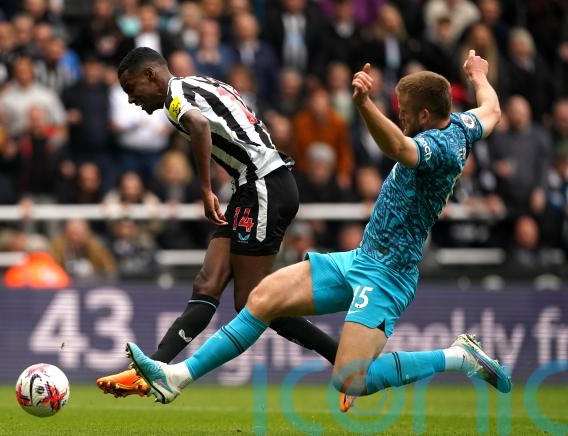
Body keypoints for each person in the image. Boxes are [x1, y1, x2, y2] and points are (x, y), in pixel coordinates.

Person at [123, 50, 511, 411]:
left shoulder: (437, 149)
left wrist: (363, 104)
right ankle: (177, 377)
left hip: (389, 275)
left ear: (424, 115)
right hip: (360, 259)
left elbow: (396, 146)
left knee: (351, 379)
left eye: (404, 113)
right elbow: (492, 109)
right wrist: (479, 75)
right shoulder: (464, 125)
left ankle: (458, 357)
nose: (401, 119)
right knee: (262, 298)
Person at [96, 47, 339, 397]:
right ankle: (150, 371)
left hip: (264, 187)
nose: (132, 100)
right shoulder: (199, 82)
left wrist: (205, 188)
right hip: (252, 187)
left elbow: (198, 125)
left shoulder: (175, 98)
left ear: (151, 75)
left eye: (131, 89)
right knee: (207, 284)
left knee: (253, 300)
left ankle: (342, 357)